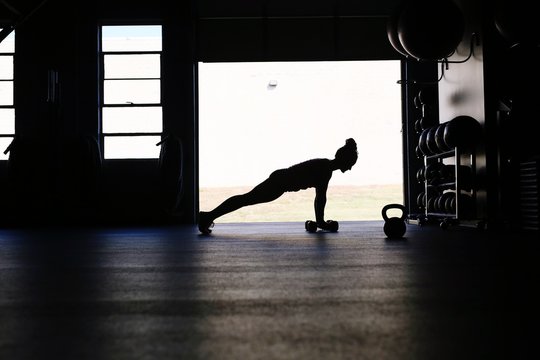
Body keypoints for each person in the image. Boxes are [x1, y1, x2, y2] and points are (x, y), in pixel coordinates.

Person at [198, 138, 358, 234]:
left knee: (246, 199)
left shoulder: (325, 167)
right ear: (344, 160)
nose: (350, 168)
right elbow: (320, 198)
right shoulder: (325, 170)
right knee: (245, 199)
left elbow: (320, 199)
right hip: (279, 183)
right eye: (350, 164)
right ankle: (207, 216)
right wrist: (321, 222)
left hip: (280, 181)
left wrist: (321, 222)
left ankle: (208, 216)